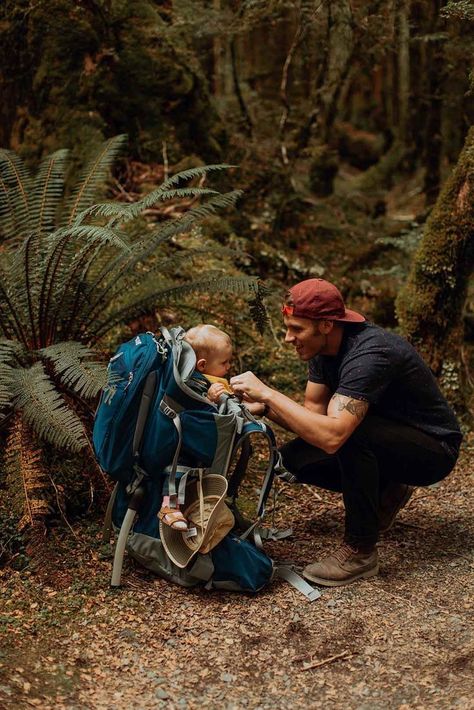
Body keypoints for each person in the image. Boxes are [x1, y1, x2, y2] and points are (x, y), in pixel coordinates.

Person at [229, 278, 462, 587]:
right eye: (288, 327)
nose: (288, 338)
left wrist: (269, 394)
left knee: (352, 434)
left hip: (434, 449)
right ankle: (387, 490)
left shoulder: (371, 353)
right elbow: (313, 415)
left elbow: (332, 435)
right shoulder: (323, 350)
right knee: (291, 460)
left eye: (297, 329)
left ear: (326, 325)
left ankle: (360, 551)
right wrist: (266, 409)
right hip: (388, 438)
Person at [158, 324, 264, 530]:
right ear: (202, 365)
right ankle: (169, 506)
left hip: (200, 440)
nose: (229, 366)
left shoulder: (206, 378)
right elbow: (197, 406)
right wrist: (210, 398)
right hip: (189, 441)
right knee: (179, 467)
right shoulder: (197, 382)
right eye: (224, 362)